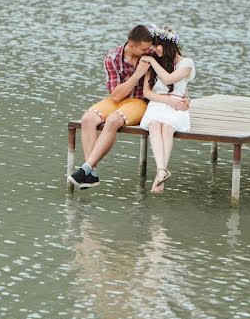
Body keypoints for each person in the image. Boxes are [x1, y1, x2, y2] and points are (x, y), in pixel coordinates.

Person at [69, 25, 188, 189]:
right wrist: (137, 74)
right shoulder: (112, 58)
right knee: (87, 118)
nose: (148, 51)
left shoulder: (152, 55)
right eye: (144, 48)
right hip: (118, 98)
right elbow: (116, 95)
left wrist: (184, 96)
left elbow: (176, 73)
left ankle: (86, 168)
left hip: (140, 101)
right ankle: (92, 173)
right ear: (131, 45)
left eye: (149, 47)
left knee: (113, 120)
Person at [138, 25, 196, 193]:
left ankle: (161, 173)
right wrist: (166, 99)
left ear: (168, 44)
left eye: (157, 45)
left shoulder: (186, 63)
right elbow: (146, 93)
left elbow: (171, 79)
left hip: (176, 106)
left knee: (168, 127)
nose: (155, 49)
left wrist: (184, 99)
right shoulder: (154, 61)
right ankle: (161, 170)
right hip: (157, 104)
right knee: (155, 125)